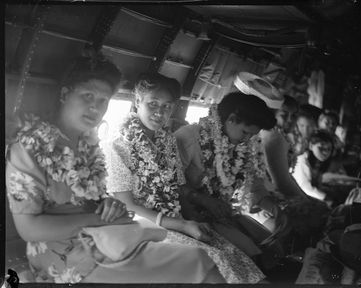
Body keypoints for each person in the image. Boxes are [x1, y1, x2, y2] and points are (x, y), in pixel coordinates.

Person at [5, 53, 224, 284]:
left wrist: (108, 204)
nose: (95, 107)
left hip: (106, 239)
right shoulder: (30, 148)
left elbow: (94, 200)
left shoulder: (87, 145)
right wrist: (100, 220)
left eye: (103, 100)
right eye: (88, 95)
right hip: (64, 255)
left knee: (201, 262)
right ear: (65, 94)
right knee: (198, 266)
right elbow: (29, 229)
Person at [104, 73, 265, 283]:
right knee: (214, 260)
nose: (160, 113)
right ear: (137, 102)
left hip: (176, 218)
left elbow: (178, 188)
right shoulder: (117, 145)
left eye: (167, 106)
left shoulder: (168, 141)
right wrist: (182, 226)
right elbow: (126, 205)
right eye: (153, 104)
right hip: (143, 224)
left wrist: (191, 220)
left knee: (234, 254)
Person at [175, 92, 288, 271]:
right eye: (245, 132)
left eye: (252, 135)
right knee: (251, 257)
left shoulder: (243, 146)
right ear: (231, 119)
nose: (247, 139)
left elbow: (253, 188)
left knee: (273, 249)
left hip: (220, 213)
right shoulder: (189, 137)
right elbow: (170, 183)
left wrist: (274, 208)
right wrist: (202, 200)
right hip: (187, 215)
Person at [291, 130, 346, 205]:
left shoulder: (321, 162)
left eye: (329, 149)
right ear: (310, 146)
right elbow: (305, 188)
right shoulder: (301, 161)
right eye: (321, 148)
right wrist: (326, 198)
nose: (325, 152)